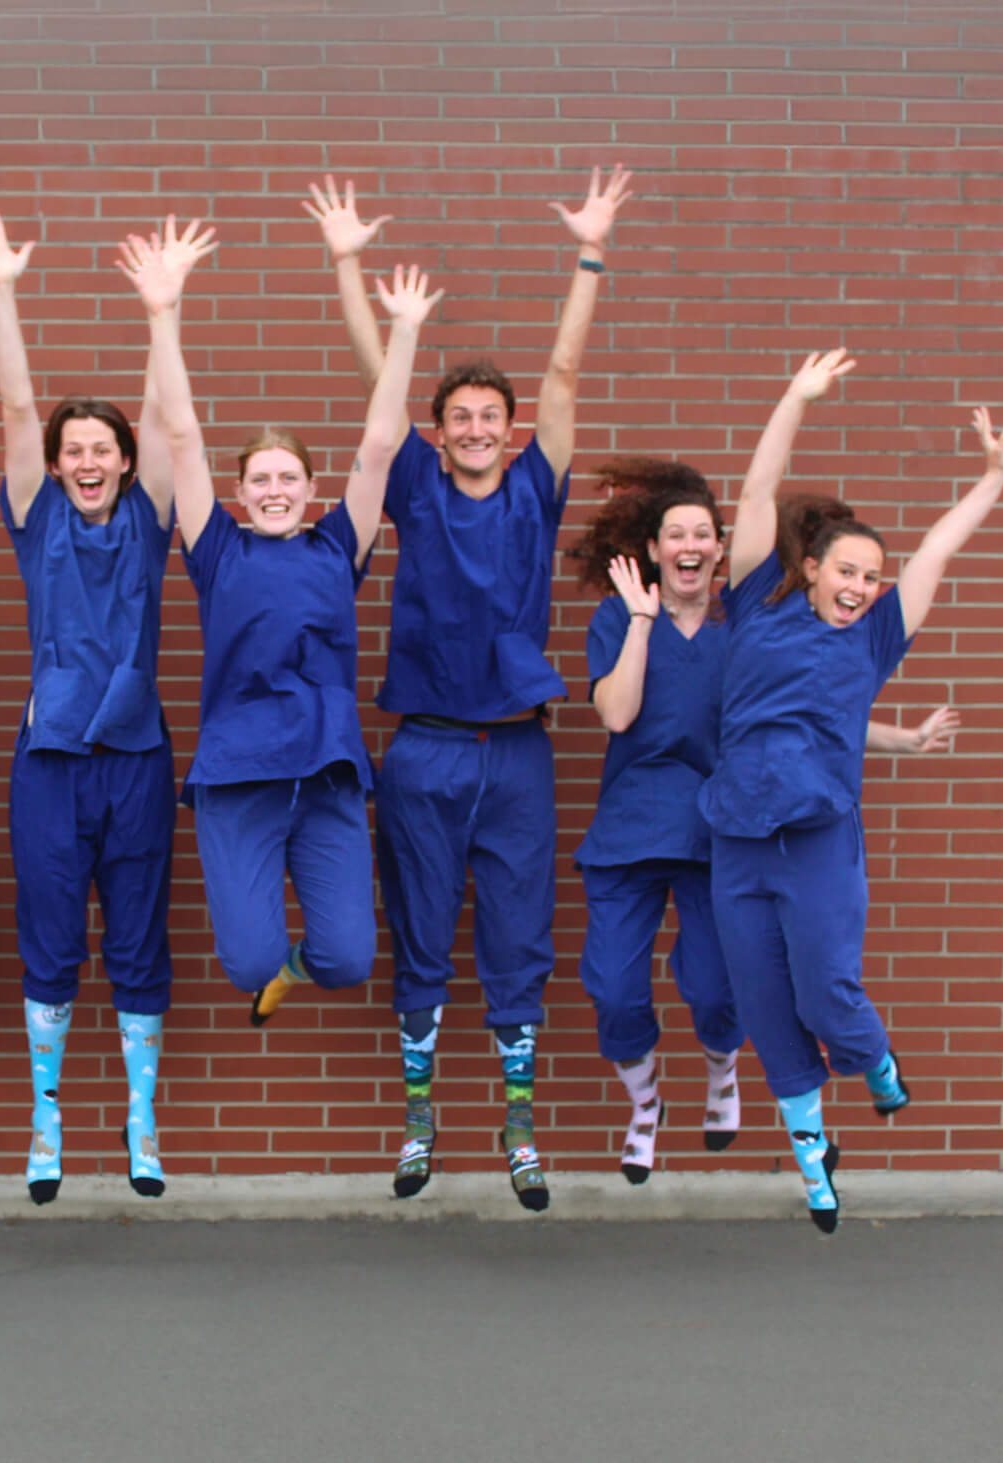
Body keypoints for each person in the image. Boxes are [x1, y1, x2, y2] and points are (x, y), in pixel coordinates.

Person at [307, 167, 631, 1207]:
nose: (479, 427)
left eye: (493, 414)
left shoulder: (535, 488)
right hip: (424, 748)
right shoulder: (413, 482)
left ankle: (517, 1122)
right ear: (440, 430)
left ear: (509, 426)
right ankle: (417, 1118)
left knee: (516, 936)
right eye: (462, 416)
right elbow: (380, 380)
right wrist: (349, 262)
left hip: (517, 753)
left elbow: (566, 372)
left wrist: (588, 252)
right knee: (417, 928)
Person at [570, 465, 958, 1185]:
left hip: (719, 830)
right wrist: (641, 621)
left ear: (719, 551)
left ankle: (722, 1069)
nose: (690, 545)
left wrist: (902, 738)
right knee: (615, 988)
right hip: (633, 826)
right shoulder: (621, 616)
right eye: (674, 535)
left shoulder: (744, 620)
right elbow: (617, 714)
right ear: (654, 549)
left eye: (702, 535)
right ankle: (645, 1103)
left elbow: (806, 719)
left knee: (718, 989)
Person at [701, 348, 1003, 1232]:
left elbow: (941, 548)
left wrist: (991, 478)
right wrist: (794, 395)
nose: (860, 586)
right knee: (766, 1005)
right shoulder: (756, 596)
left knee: (826, 995)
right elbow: (758, 492)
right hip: (737, 837)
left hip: (818, 841)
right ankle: (815, 1165)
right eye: (847, 571)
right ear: (810, 569)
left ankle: (876, 1064)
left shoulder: (875, 638)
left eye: (872, 578)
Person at [122, 223, 434, 1093]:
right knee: (244, 958)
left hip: (328, 774)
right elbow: (181, 436)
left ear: (309, 490)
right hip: (239, 776)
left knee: (343, 958)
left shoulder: (340, 546)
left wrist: (403, 331)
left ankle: (294, 975)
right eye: (257, 478)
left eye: (286, 477)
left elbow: (380, 445)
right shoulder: (217, 550)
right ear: (240, 492)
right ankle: (270, 972)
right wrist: (164, 312)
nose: (271, 488)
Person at [0, 208, 181, 1204]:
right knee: (51, 938)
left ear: (124, 461)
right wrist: (3, 290)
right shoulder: (37, 513)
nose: (86, 461)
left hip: (133, 759)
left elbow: (168, 416)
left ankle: (139, 1118)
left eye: (102, 448)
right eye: (72, 449)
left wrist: (159, 314)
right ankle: (47, 1115)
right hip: (48, 761)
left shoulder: (148, 515)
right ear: (54, 465)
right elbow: (13, 410)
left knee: (136, 937)